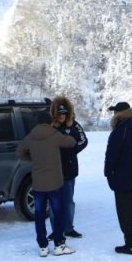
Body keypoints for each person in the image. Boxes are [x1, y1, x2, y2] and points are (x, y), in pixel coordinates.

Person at [16, 117, 77, 257]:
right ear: (51, 122)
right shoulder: (55, 135)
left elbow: (19, 152)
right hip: (55, 182)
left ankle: (43, 246)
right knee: (58, 213)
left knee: (39, 215)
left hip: (38, 183)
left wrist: (32, 158)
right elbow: (72, 142)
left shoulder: (31, 136)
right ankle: (59, 245)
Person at [104, 101, 132, 255]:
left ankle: (130, 243)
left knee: (124, 210)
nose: (113, 114)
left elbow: (111, 155)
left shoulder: (120, 131)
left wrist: (108, 172)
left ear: (120, 114)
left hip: (123, 176)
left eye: (115, 112)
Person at [48, 95, 88, 239]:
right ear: (55, 113)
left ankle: (69, 228)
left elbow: (84, 140)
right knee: (54, 203)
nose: (62, 116)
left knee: (68, 202)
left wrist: (72, 150)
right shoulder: (49, 126)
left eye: (64, 113)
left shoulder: (74, 125)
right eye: (59, 113)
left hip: (69, 171)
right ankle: (56, 230)